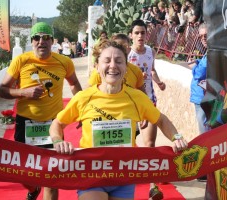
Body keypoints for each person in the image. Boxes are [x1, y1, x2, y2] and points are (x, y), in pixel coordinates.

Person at [49, 39, 188, 200]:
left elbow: (161, 120)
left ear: (126, 67)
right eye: (106, 61)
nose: (113, 65)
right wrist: (58, 141)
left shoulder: (137, 98)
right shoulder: (84, 98)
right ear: (97, 66)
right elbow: (57, 123)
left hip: (124, 176)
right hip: (91, 174)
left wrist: (176, 137)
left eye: (119, 61)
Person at [0, 22, 82, 200]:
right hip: (25, 123)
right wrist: (23, 92)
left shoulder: (64, 62)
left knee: (52, 178)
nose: (41, 42)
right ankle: (33, 188)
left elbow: (74, 83)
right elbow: (2, 90)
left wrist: (82, 109)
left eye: (46, 38)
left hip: (53, 125)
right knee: (22, 174)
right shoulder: (22, 60)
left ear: (52, 41)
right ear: (32, 41)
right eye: (37, 38)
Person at [128, 19, 166, 200]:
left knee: (149, 145)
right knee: (127, 147)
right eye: (136, 33)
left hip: (149, 103)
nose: (140, 36)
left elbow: (152, 70)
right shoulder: (126, 55)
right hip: (128, 106)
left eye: (143, 33)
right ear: (131, 36)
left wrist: (158, 81)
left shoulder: (150, 51)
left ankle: (153, 187)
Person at [187, 23, 208, 182]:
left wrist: (195, 66)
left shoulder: (213, 51)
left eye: (205, 35)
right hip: (200, 97)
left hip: (204, 99)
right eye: (201, 36)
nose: (203, 39)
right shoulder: (208, 52)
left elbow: (200, 73)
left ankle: (206, 169)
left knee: (205, 134)